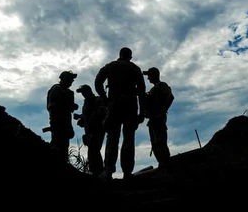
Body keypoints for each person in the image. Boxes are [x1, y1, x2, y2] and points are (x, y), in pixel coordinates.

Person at [94, 47, 146, 181]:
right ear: (130, 56)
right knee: (128, 139)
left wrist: (105, 99)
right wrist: (142, 112)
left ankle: (108, 170)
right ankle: (127, 172)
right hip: (130, 107)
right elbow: (141, 91)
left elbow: (97, 82)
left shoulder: (110, 66)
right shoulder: (135, 68)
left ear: (120, 55)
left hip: (114, 106)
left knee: (112, 138)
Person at [143, 67, 174, 168]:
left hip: (158, 120)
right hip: (153, 120)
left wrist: (162, 112)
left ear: (154, 75)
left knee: (160, 144)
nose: (148, 78)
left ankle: (166, 166)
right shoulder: (153, 89)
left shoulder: (162, 85)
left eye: (149, 76)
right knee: (155, 145)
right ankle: (162, 165)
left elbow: (170, 97)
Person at [74, 84, 107, 177]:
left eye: (84, 92)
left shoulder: (98, 100)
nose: (83, 94)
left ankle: (98, 172)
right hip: (89, 131)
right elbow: (87, 117)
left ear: (89, 91)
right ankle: (96, 172)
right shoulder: (86, 103)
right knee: (93, 151)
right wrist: (81, 120)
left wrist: (83, 117)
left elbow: (101, 113)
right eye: (82, 93)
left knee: (94, 150)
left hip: (98, 130)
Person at [46, 70, 79, 157]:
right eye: (70, 79)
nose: (72, 81)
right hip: (58, 121)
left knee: (64, 145)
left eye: (72, 80)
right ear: (64, 79)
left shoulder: (69, 92)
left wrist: (72, 106)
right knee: (57, 144)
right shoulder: (56, 89)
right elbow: (53, 107)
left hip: (66, 123)